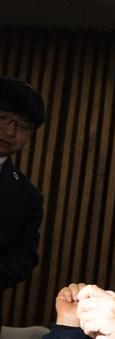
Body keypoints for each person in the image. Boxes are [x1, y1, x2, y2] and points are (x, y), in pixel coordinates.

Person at [0, 76, 45, 294]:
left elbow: (24, 257)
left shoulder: (28, 196)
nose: (10, 132)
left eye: (23, 126)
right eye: (3, 118)